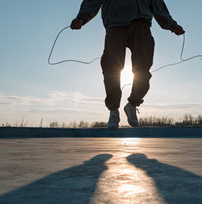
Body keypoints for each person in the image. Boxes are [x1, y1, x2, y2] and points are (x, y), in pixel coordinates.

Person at [71, 0, 185, 130]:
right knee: (111, 68)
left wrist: (172, 25)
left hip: (141, 24)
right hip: (115, 24)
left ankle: (132, 104)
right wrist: (81, 18)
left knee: (143, 69)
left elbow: (158, 5)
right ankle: (113, 110)